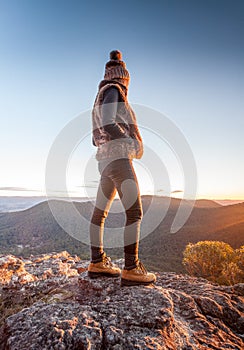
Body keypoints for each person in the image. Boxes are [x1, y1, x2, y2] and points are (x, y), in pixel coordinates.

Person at [88, 50, 156, 286]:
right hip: (118, 160)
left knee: (100, 213)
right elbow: (109, 123)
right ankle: (132, 268)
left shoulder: (99, 96)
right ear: (123, 77)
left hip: (104, 161)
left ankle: (97, 261)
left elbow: (95, 136)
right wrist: (127, 142)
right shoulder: (115, 90)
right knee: (135, 212)